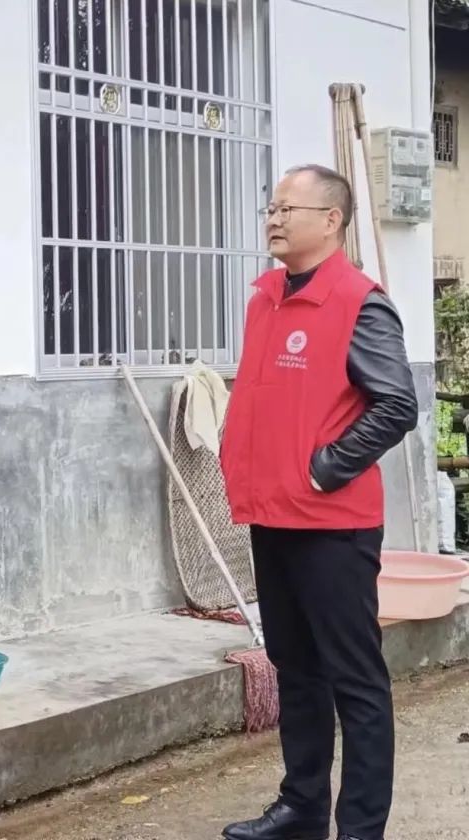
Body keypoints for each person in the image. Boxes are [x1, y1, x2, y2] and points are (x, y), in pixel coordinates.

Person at [219, 164, 418, 840]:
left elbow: (396, 404)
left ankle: (360, 827)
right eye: (271, 209)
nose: (274, 220)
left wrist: (327, 469)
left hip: (332, 525)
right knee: (295, 669)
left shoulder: (360, 301)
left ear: (331, 221)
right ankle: (301, 809)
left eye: (288, 209)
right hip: (272, 515)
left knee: (355, 680)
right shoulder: (266, 298)